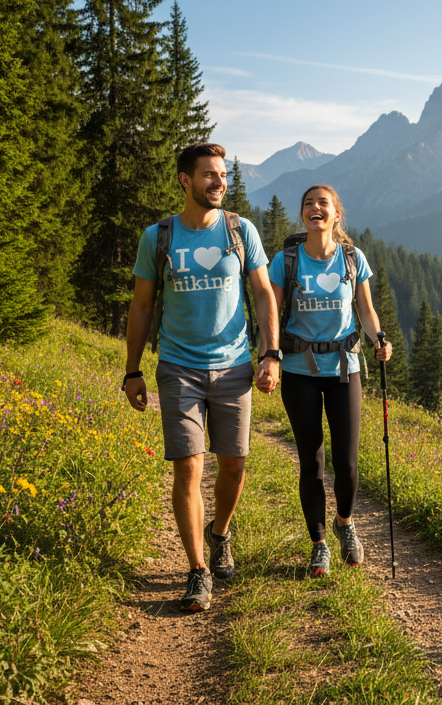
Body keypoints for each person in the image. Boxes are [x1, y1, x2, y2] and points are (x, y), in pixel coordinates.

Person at [123, 143, 282, 612]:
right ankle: (197, 571)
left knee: (233, 464)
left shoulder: (241, 230)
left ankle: (220, 533)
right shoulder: (159, 237)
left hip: (234, 366)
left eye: (223, 176)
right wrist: (132, 370)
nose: (219, 182)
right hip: (178, 368)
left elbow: (264, 293)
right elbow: (142, 305)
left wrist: (270, 354)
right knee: (189, 466)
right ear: (185, 181)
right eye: (209, 175)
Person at [269, 184, 392, 577]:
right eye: (308, 203)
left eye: (323, 203)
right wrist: (268, 356)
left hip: (344, 369)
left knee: (348, 464)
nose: (315, 208)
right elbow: (270, 315)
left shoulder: (353, 258)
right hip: (298, 372)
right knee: (312, 462)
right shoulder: (285, 261)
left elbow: (367, 311)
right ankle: (319, 544)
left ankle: (345, 522)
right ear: (303, 215)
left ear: (336, 215)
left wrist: (379, 339)